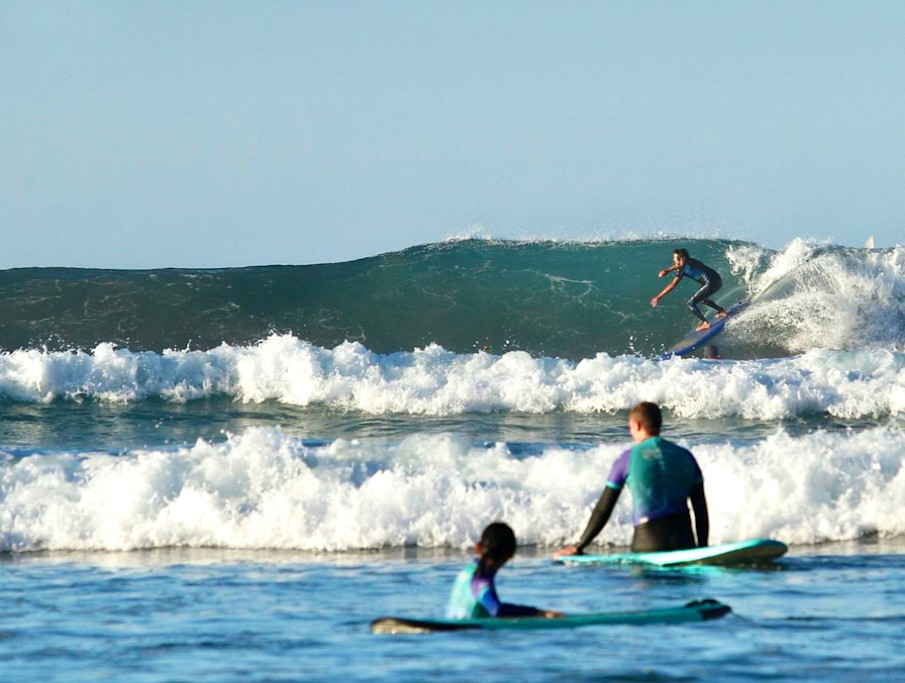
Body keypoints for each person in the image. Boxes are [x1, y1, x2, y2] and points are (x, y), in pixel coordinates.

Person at [554, 402, 709, 558]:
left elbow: (603, 510)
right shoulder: (686, 456)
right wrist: (703, 551)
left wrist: (579, 546)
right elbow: (700, 510)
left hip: (648, 543)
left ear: (637, 426)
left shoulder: (627, 459)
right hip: (684, 542)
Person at [447, 522, 562, 619]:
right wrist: (538, 613)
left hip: (454, 636)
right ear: (510, 556)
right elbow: (496, 610)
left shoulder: (466, 571)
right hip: (467, 635)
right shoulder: (480, 580)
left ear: (478, 547)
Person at [651, 248, 727, 331]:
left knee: (690, 303)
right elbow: (678, 265)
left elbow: (672, 285)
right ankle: (721, 311)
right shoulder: (692, 261)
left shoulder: (683, 269)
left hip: (709, 283)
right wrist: (667, 271)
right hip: (717, 280)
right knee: (701, 299)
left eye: (675, 258)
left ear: (682, 258)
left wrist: (658, 297)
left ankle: (706, 323)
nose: (673, 260)